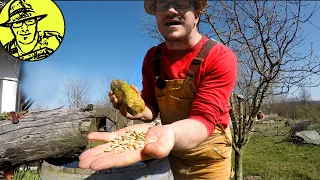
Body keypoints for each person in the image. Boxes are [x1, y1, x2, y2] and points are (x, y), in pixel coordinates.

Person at [78, 0, 238, 179]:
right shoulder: (152, 58)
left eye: (181, 2)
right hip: (171, 151)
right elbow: (151, 110)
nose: (170, 10)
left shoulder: (219, 57)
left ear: (197, 14)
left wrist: (169, 133)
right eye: (163, 4)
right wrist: (137, 111)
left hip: (208, 159)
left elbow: (204, 119)